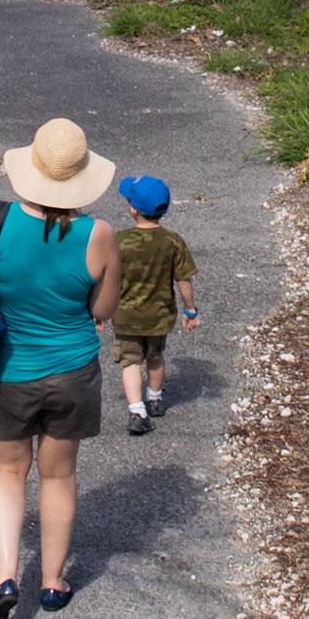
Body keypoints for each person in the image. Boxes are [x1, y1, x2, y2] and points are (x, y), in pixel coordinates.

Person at [0, 117, 120, 619]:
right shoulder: (98, 234)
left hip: (9, 370)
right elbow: (104, 309)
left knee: (7, 472)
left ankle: (4, 577)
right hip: (73, 372)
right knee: (58, 474)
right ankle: (54, 582)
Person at [113, 172, 198, 435]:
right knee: (156, 356)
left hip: (126, 315)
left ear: (132, 209)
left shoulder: (119, 240)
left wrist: (96, 311)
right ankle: (156, 398)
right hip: (160, 315)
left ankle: (137, 410)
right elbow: (183, 279)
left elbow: (106, 279)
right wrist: (190, 309)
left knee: (130, 361)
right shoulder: (173, 241)